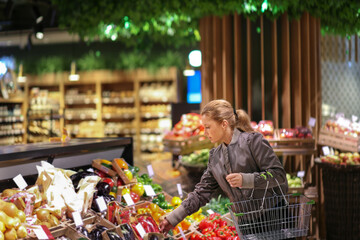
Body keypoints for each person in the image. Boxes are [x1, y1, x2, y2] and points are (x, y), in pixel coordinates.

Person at [160, 99, 288, 237]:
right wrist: (172, 218)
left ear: (224, 124)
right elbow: (201, 193)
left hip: (274, 220)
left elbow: (278, 174)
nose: (204, 132)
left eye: (208, 127)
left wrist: (246, 179)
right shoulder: (215, 156)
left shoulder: (253, 141)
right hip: (245, 225)